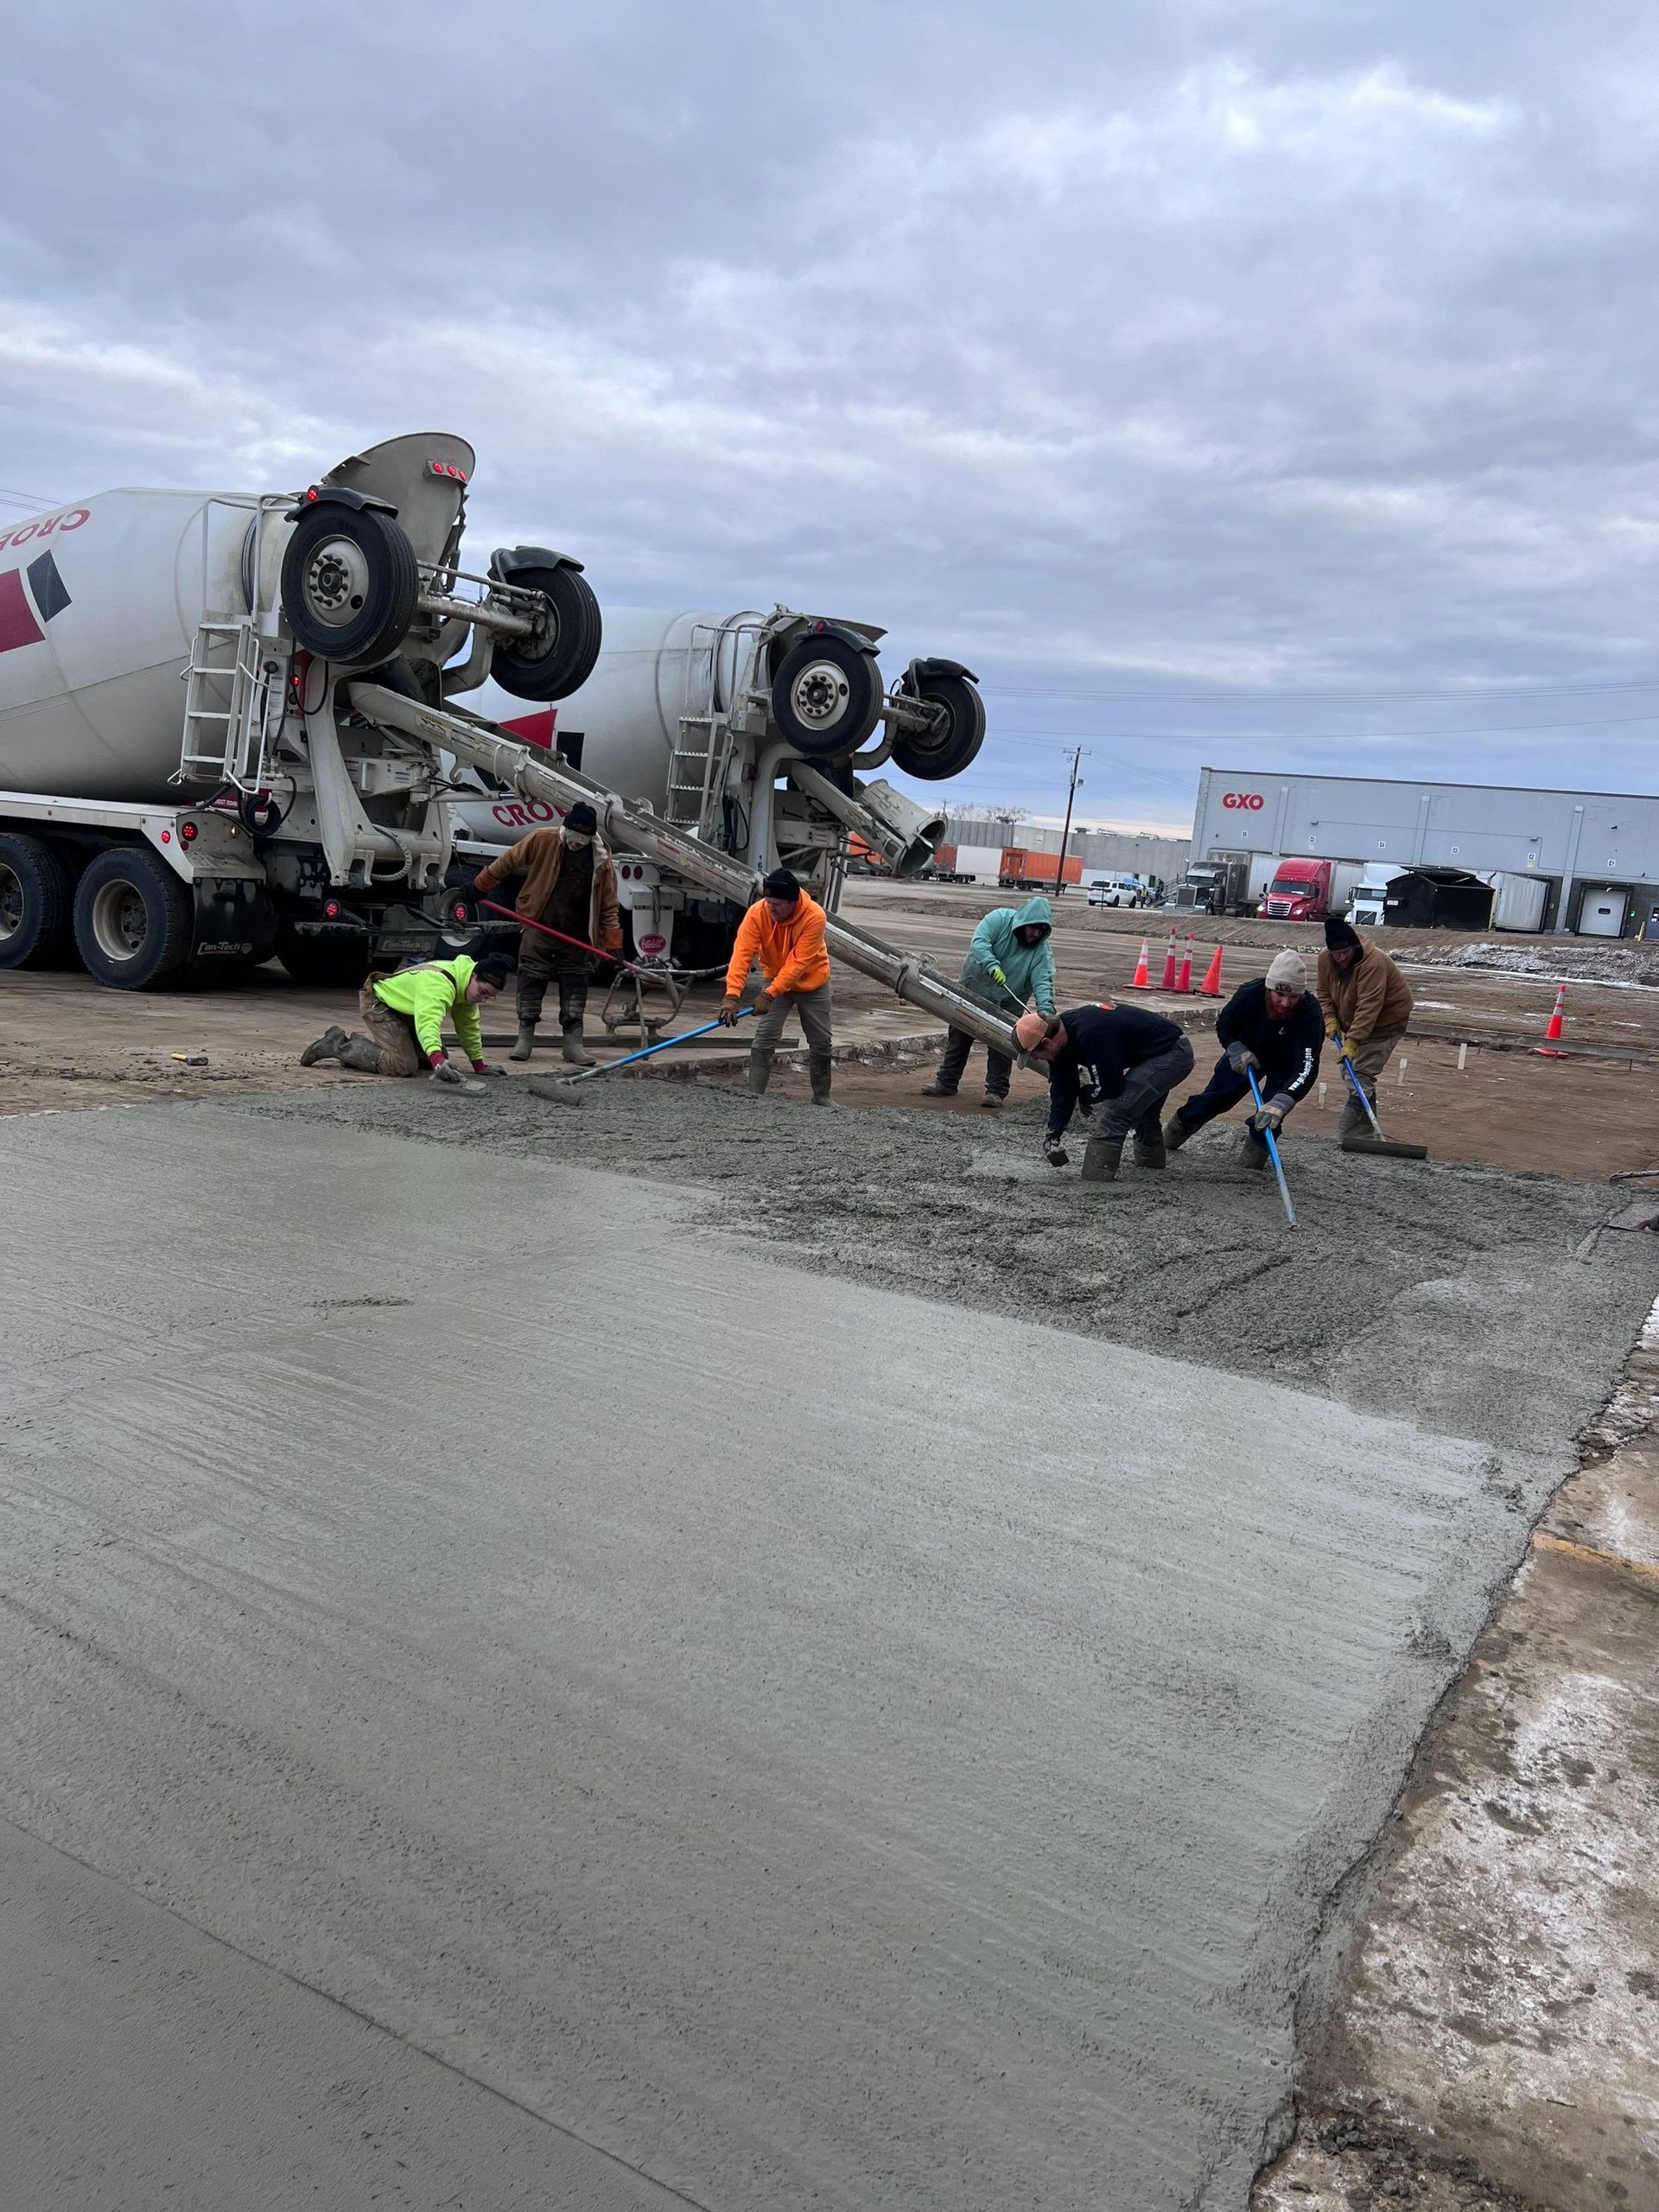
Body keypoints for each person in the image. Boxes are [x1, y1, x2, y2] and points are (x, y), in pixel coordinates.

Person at [470, 801, 622, 1065]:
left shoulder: (601, 860)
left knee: (575, 987)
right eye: (572, 839)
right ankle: (525, 1038)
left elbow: (608, 906)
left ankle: (573, 1044)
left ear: (590, 839)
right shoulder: (543, 839)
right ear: (564, 830)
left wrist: (613, 943)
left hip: (578, 935)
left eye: (581, 841)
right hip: (539, 924)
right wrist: (480, 885)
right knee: (531, 980)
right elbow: (508, 861)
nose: (575, 845)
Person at [1165, 949, 1323, 1171]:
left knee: (1270, 1115)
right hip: (1246, 1052)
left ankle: (1252, 1163)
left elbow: (1307, 1065)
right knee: (1216, 1098)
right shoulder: (1250, 993)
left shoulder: (1310, 1013)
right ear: (1269, 988)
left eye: (1293, 997)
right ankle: (1172, 1136)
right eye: (1280, 995)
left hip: (1285, 1063)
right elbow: (1225, 1026)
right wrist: (1235, 1048)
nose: (1285, 1003)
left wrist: (1285, 1098)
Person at [1018, 1001, 1194, 1183]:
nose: (1037, 1059)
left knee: (1117, 1109)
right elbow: (1063, 1089)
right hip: (1155, 1051)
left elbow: (1111, 1087)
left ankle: (1095, 1181)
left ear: (1046, 1042)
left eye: (1034, 1055)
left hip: (1172, 1054)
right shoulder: (1060, 1037)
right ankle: (1152, 1169)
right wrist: (1054, 1132)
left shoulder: (1091, 1033)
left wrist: (1088, 1094)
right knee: (1141, 1108)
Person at [921, 895, 1056, 1108]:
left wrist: (1045, 1011)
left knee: (1003, 1044)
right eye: (1032, 928)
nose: (1035, 934)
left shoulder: (1041, 953)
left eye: (1041, 930)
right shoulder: (999, 919)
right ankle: (947, 1081)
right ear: (1023, 922)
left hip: (1007, 1003)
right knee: (959, 1036)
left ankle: (996, 1090)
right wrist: (992, 966)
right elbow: (980, 942)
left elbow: (1043, 981)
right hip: (974, 989)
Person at [719, 868, 834, 1102]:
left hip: (813, 983)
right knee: (765, 1036)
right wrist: (732, 996)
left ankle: (822, 1097)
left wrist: (769, 995)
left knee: (821, 1041)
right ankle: (755, 1095)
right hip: (775, 979)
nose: (771, 908)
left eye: (778, 904)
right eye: (768, 902)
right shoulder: (757, 913)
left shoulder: (814, 916)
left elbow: (798, 964)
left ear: (793, 902)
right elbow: (741, 955)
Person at [301, 954, 509, 1081]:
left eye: (489, 997)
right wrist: (437, 1061)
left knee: (437, 1059)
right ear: (473, 976)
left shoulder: (468, 991)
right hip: (380, 1004)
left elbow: (469, 1028)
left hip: (405, 1012)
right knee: (403, 1065)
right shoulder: (440, 985)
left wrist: (479, 1065)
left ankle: (367, 1055)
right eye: (483, 992)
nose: (483, 1000)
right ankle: (338, 1044)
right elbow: (428, 1023)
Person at [1317, 918, 1414, 1141]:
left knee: (1360, 1074)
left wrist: (1353, 1042)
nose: (1340, 958)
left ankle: (1343, 1133)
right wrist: (1330, 1019)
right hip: (1355, 1021)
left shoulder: (1373, 963)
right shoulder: (1325, 959)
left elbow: (1369, 1006)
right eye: (1335, 954)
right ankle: (1365, 1131)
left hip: (1386, 1022)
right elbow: (1323, 992)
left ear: (1354, 947)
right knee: (1350, 1071)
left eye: (1345, 953)